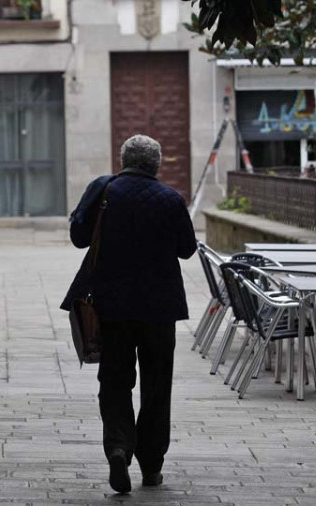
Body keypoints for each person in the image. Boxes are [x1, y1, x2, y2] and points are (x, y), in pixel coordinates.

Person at [61, 134, 197, 494]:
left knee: (115, 381)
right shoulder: (171, 199)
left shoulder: (106, 193)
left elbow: (79, 238)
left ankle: (119, 447)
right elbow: (187, 249)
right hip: (159, 310)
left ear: (123, 160)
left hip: (113, 307)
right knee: (157, 386)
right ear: (156, 164)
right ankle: (151, 466)